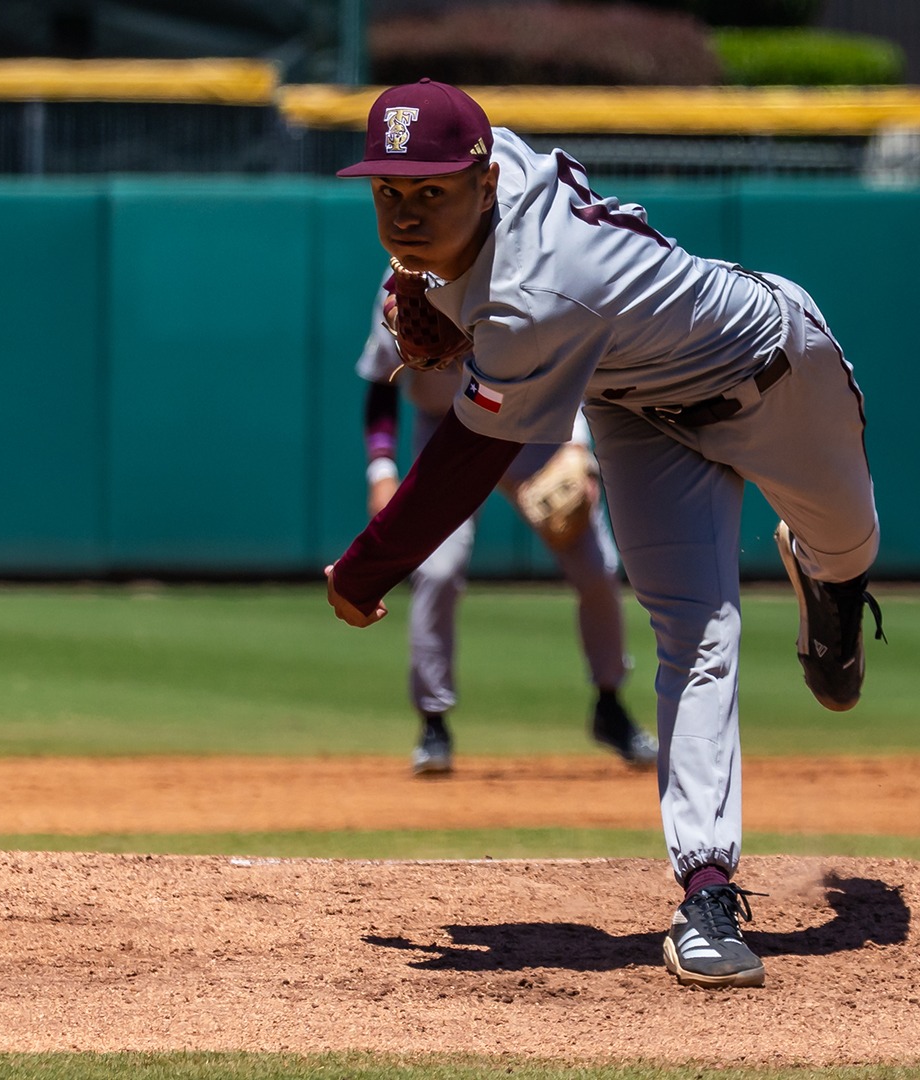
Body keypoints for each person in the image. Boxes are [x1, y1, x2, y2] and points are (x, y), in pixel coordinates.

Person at [322, 79, 882, 988]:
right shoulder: (485, 159)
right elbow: (442, 201)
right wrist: (416, 269)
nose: (408, 210)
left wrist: (365, 568)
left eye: (432, 192)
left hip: (775, 372)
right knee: (694, 630)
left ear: (486, 182)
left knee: (852, 546)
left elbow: (468, 454)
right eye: (389, 191)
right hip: (634, 409)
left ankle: (833, 589)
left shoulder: (536, 291)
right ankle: (706, 887)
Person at [354, 281, 657, 775]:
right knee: (438, 570)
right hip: (441, 433)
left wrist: (577, 446)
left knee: (597, 567)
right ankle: (433, 725)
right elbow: (379, 385)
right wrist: (381, 470)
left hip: (526, 423)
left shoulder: (508, 273)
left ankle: (609, 706)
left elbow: (565, 362)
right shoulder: (400, 287)